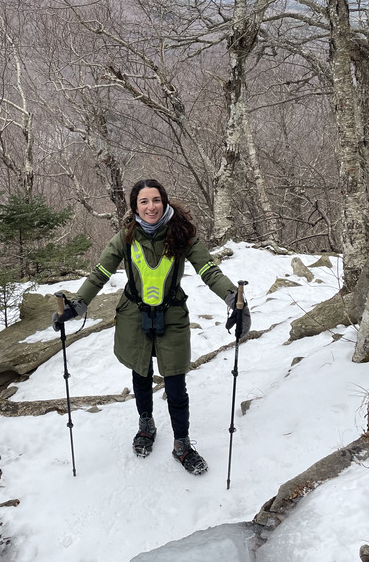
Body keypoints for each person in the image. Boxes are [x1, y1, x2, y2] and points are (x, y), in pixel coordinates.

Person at [53, 178, 251, 475]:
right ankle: (146, 423)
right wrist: (77, 303)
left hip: (171, 315)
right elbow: (100, 272)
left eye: (156, 200)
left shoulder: (182, 235)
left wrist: (232, 297)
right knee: (141, 372)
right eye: (143, 201)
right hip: (134, 316)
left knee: (175, 383)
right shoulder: (126, 237)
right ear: (135, 206)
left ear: (165, 201)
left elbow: (208, 269)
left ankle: (181, 443)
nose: (151, 207)